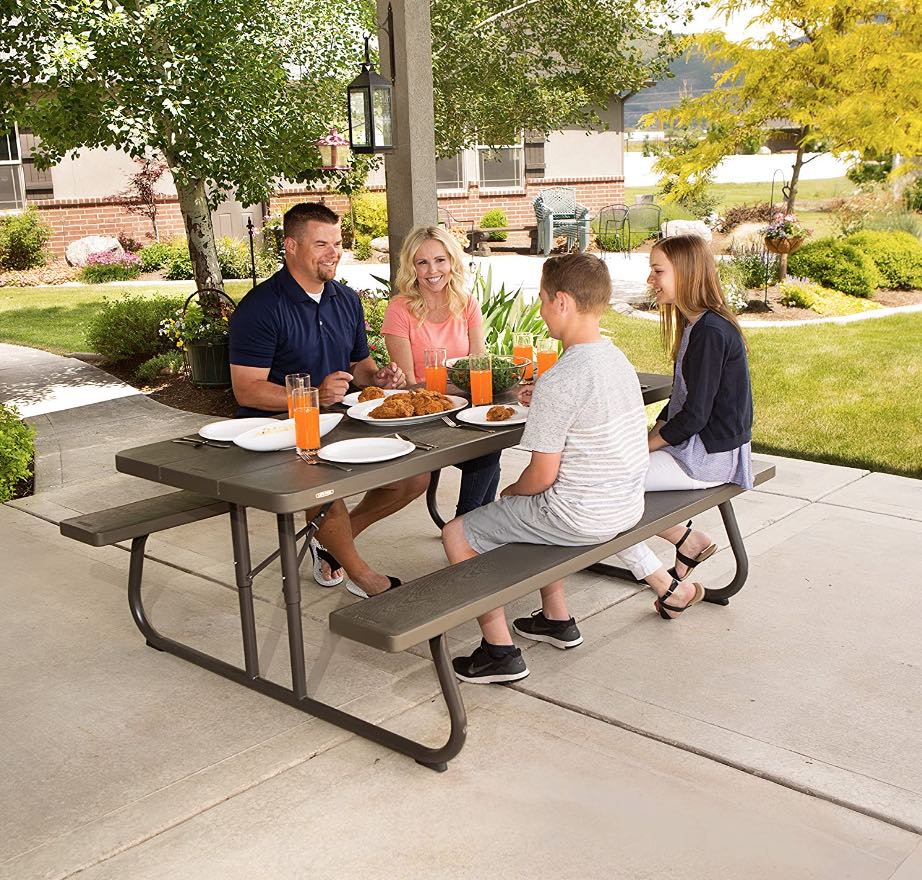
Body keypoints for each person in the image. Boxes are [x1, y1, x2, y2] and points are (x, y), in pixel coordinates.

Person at [441, 253, 703, 685]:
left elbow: (541, 477)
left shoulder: (560, 379)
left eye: (543, 300)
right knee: (543, 506)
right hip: (624, 505)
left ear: (561, 302)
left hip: (582, 516)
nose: (541, 310)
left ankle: (499, 651)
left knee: (458, 532)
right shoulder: (616, 361)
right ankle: (556, 619)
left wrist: (509, 494)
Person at [229, 202, 428, 598]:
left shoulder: (346, 300)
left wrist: (381, 378)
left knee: (413, 478)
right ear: (290, 246)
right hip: (274, 434)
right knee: (326, 490)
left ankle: (330, 541)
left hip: (336, 421)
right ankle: (364, 576)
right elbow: (246, 389)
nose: (333, 252)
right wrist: (312, 396)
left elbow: (361, 367)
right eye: (321, 244)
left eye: (337, 243)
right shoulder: (260, 307)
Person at [644, 234, 753, 594]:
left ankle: (668, 573)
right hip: (697, 448)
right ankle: (686, 541)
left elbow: (694, 417)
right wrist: (649, 438)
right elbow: (678, 402)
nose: (650, 280)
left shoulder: (710, 332)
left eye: (658, 271)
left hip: (710, 457)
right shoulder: (696, 325)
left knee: (602, 481)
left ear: (687, 273)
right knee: (607, 476)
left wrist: (643, 449)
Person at [382, 225, 502, 516]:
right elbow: (410, 385)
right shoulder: (399, 310)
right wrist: (455, 390)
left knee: (490, 444)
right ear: (412, 267)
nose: (432, 270)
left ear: (452, 262)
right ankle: (467, 529)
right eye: (422, 262)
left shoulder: (467, 304)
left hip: (463, 410)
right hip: (425, 417)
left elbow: (478, 366)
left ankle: (466, 526)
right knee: (486, 452)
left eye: (440, 260)